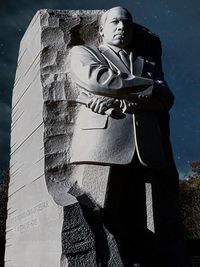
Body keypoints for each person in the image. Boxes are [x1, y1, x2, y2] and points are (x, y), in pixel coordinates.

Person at [69, 6, 189, 267]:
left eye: (127, 23)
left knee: (145, 222)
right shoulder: (84, 52)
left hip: (146, 150)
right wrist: (147, 88)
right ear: (101, 30)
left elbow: (166, 98)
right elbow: (98, 80)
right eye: (115, 22)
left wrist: (136, 101)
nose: (122, 27)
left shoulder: (148, 62)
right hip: (101, 146)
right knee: (94, 216)